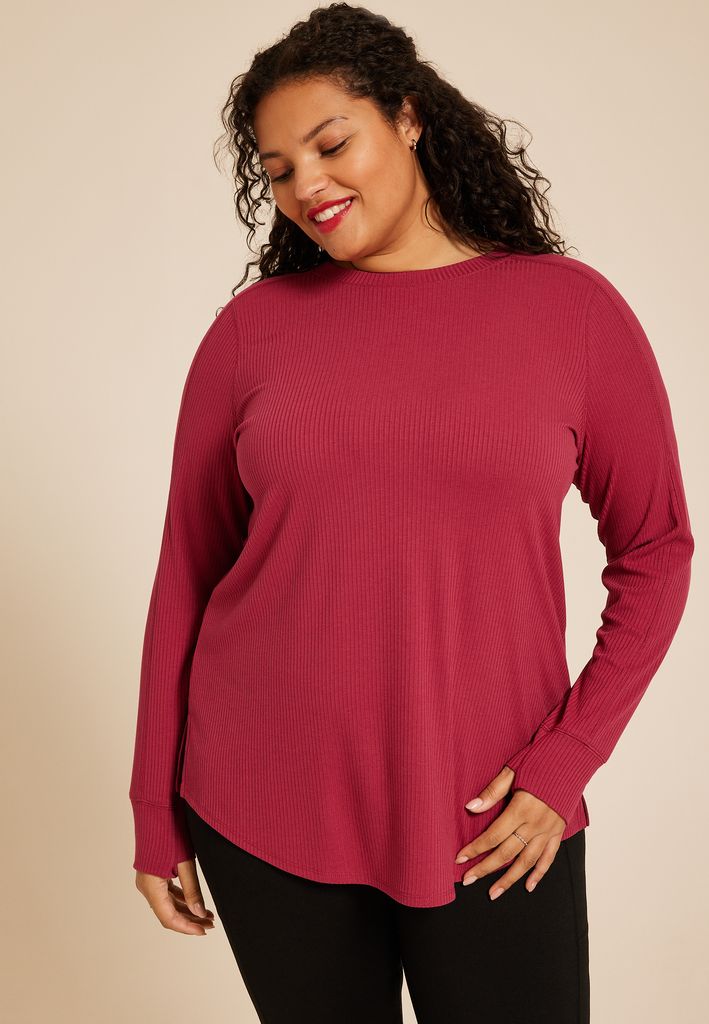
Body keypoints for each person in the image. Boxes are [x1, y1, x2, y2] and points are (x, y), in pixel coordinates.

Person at [128, 5, 694, 1022]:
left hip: (494, 811)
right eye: (277, 170)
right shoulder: (251, 334)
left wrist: (563, 763)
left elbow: (655, 548)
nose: (306, 185)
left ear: (408, 116)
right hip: (265, 797)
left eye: (330, 144)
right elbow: (188, 572)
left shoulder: (571, 312)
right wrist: (151, 809)